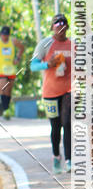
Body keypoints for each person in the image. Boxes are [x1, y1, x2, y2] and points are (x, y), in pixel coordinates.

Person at [30, 14, 72, 174]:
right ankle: (56, 157)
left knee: (67, 123)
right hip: (50, 92)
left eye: (63, 23)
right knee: (56, 127)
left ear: (67, 27)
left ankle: (69, 161)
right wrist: (48, 64)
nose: (60, 26)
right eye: (57, 23)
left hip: (69, 90)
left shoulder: (73, 45)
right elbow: (33, 66)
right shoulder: (45, 44)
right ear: (52, 27)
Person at [0, 25, 24, 117]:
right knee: (3, 88)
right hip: (1, 69)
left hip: (11, 69)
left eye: (6, 35)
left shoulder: (13, 41)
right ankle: (5, 109)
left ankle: (7, 109)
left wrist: (17, 58)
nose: (4, 37)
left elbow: (21, 48)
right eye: (3, 35)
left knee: (9, 90)